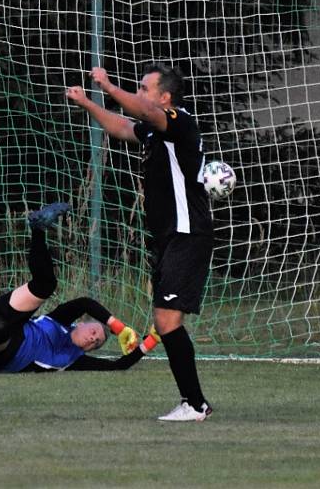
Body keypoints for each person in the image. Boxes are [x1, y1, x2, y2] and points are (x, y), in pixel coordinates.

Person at [66, 63, 214, 422]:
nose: (141, 93)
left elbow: (145, 110)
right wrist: (88, 102)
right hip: (170, 238)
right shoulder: (153, 130)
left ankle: (194, 405)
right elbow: (120, 126)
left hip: (187, 233)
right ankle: (194, 403)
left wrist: (110, 86)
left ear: (165, 97)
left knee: (167, 320)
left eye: (146, 88)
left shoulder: (178, 120)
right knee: (166, 322)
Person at [0, 203, 160, 374]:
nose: (93, 339)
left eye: (96, 343)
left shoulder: (72, 360)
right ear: (82, 323)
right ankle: (38, 229)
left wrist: (152, 340)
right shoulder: (59, 321)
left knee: (1, 330)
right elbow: (85, 303)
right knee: (46, 285)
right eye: (95, 332)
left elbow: (119, 365)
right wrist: (117, 327)